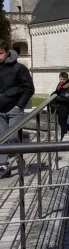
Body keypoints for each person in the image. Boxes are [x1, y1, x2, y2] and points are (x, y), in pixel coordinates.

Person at [0, 41, 35, 178]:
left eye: (1, 52)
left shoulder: (19, 68)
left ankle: (20, 161)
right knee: (1, 138)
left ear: (7, 51)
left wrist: (19, 106)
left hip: (14, 109)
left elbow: (29, 88)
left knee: (13, 137)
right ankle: (3, 165)